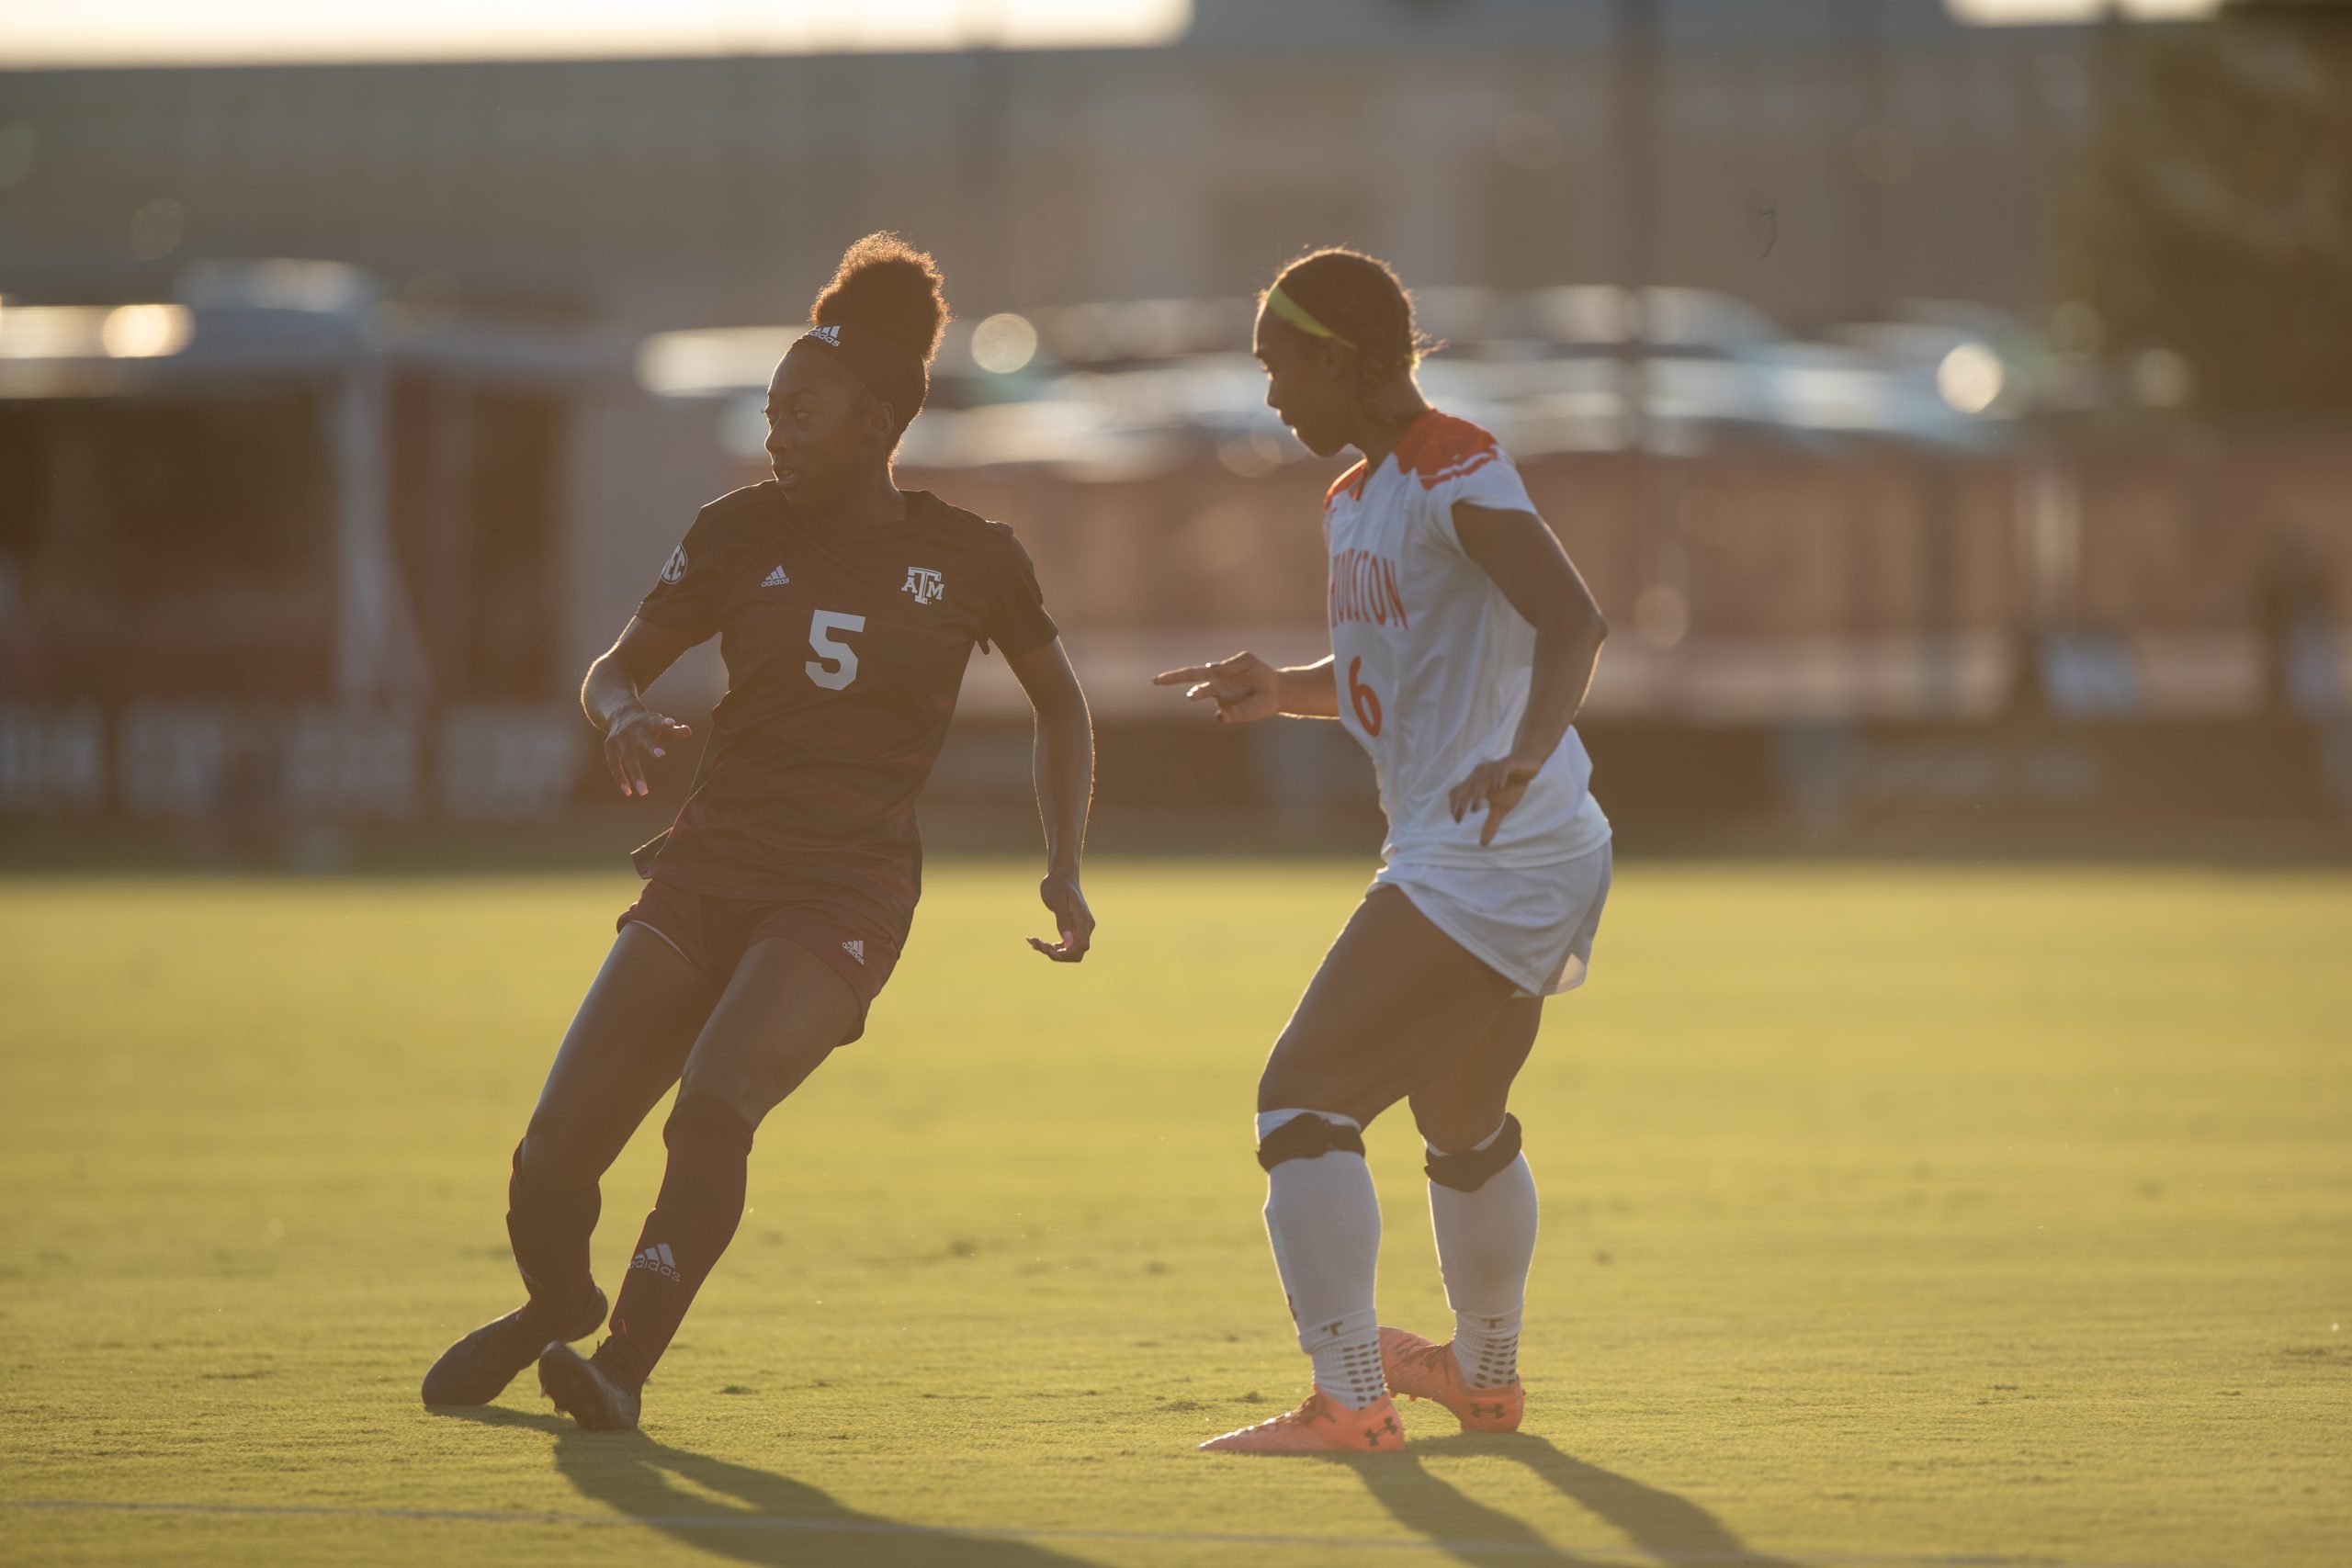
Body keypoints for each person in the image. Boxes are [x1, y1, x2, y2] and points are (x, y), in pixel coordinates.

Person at [423, 233, 1097, 1431]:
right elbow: (612, 671)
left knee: (713, 1106)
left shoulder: (970, 557)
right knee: (551, 1159)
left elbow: (1064, 706)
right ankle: (557, 1305)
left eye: (806, 409)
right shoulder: (735, 533)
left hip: (844, 892)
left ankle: (619, 1368)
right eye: (775, 404)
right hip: (706, 868)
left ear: (880, 420)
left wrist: (1061, 866)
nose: (779, 427)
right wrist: (623, 713)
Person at [1159, 248, 1612, 1454]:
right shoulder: (1353, 498)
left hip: (1491, 849)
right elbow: (1388, 680)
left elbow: (1573, 617)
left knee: (1301, 1098)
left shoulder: (1448, 459)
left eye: (1276, 365)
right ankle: (1484, 1378)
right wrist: (1281, 688)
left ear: (1338, 355)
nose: (1270, 396)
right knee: (1460, 1121)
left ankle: (1352, 1399)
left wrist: (1522, 752)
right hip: (1495, 846)